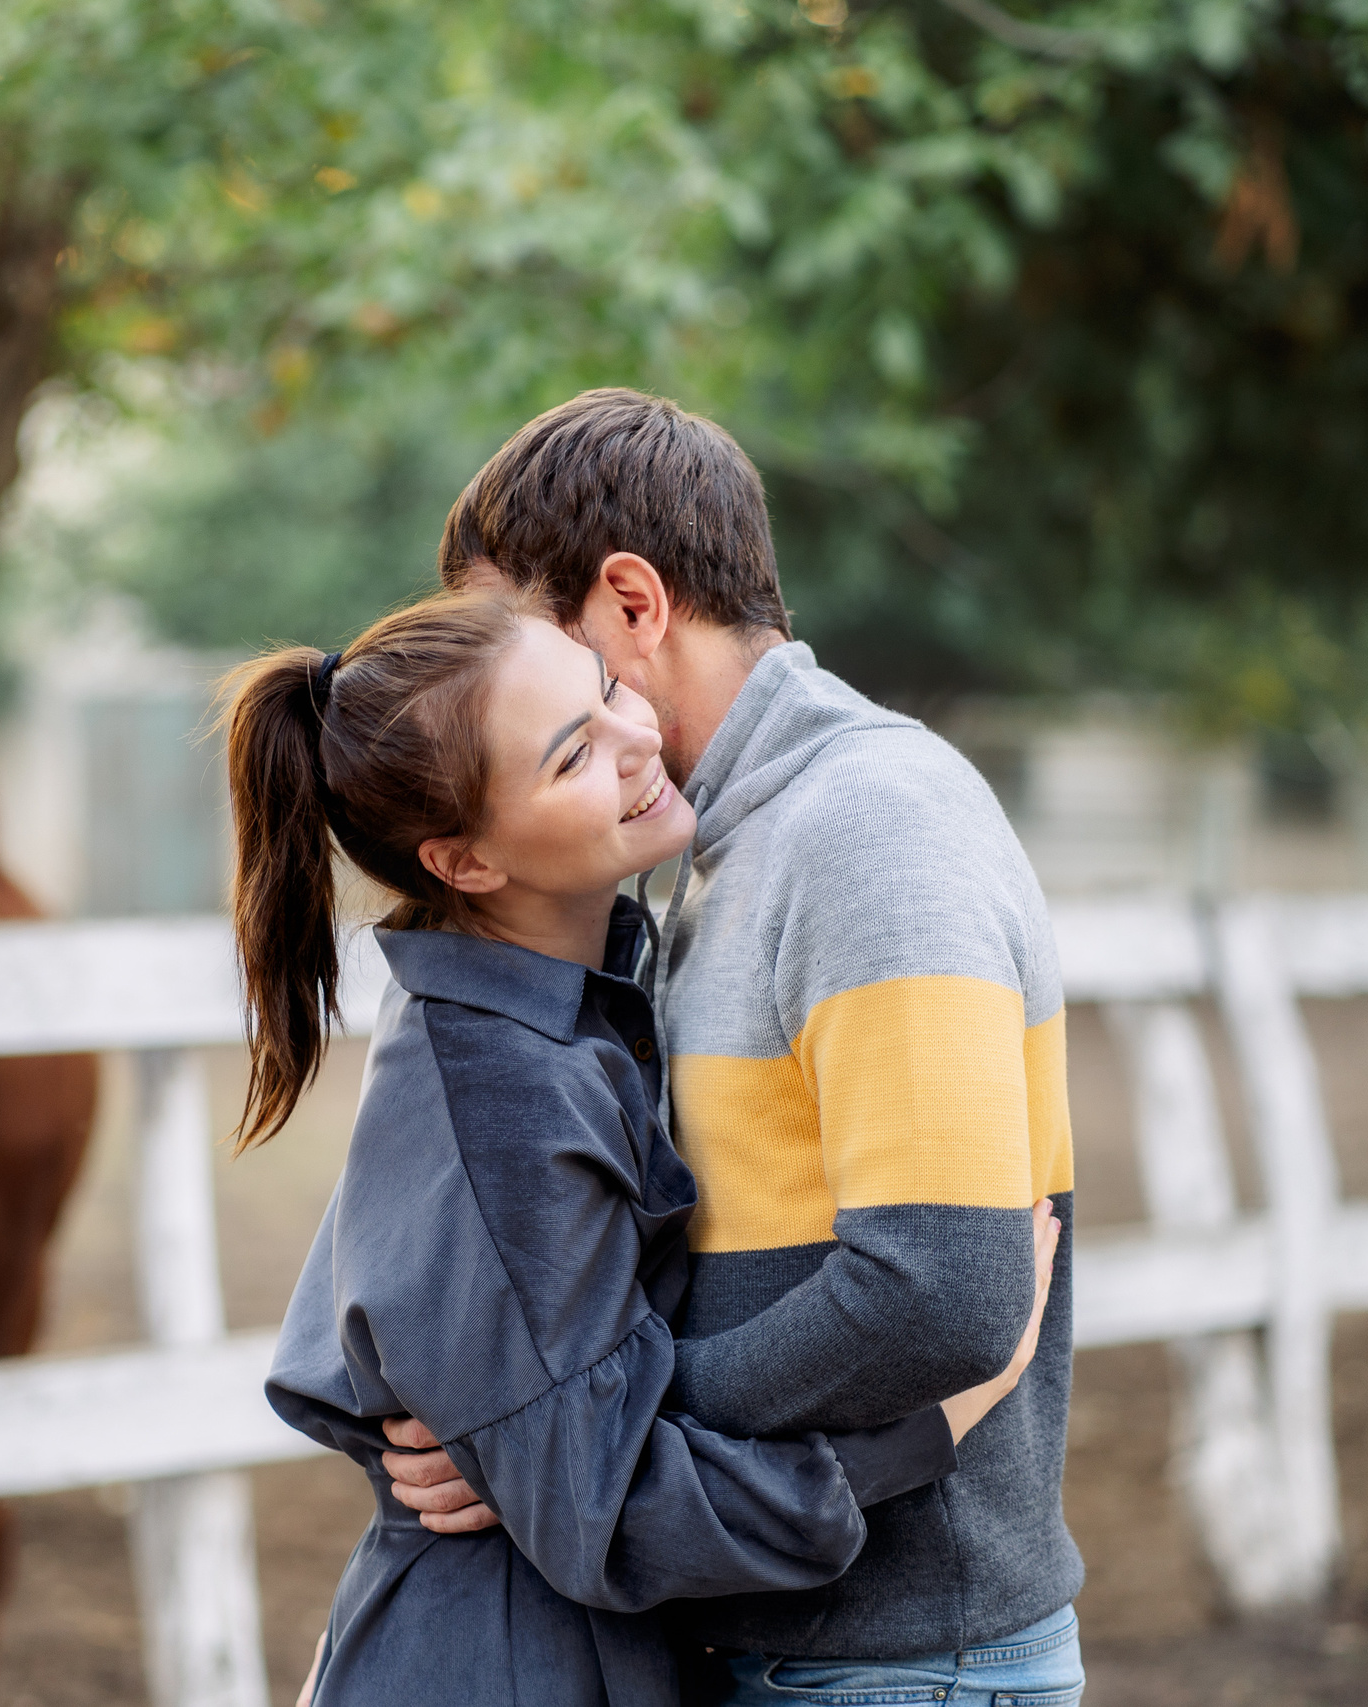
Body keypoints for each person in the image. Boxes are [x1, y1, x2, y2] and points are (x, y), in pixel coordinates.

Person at [231, 589, 1060, 1707]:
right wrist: (945, 1410)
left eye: (608, 690)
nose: (635, 740)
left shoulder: (566, 1016)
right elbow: (609, 1510)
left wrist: (525, 1441)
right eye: (572, 754)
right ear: (466, 863)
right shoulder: (500, 1093)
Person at [393, 388, 1086, 1705]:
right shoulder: (712, 849)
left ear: (633, 605)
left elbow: (943, 1282)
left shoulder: (873, 824)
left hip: (894, 1666)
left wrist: (584, 1433)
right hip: (776, 1643)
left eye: (515, 643)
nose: (496, 687)